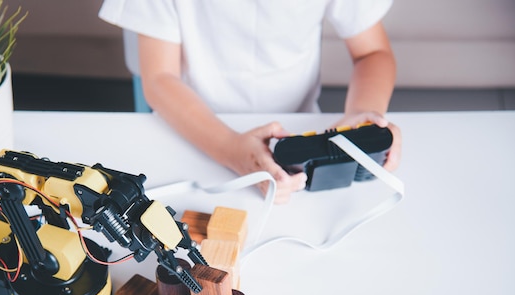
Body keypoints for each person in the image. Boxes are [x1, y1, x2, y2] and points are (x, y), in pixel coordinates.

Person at [99, 0, 401, 204]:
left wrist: (364, 111)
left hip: (297, 136)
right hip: (191, 134)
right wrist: (230, 149)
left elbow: (372, 53)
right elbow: (159, 78)